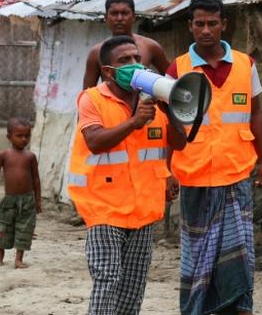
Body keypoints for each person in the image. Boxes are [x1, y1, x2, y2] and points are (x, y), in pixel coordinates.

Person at [166, 0, 262, 315]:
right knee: (198, 257)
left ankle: (238, 307)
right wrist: (166, 171)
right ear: (190, 27)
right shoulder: (178, 70)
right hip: (195, 178)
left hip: (237, 176)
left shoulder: (245, 64)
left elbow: (256, 114)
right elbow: (168, 122)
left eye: (213, 23)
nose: (206, 30)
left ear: (224, 24)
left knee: (238, 257)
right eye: (200, 24)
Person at [68, 35, 183, 315]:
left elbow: (179, 143)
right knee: (108, 280)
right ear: (108, 71)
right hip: (104, 207)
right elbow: (95, 142)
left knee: (132, 289)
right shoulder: (91, 99)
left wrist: (173, 107)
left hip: (144, 209)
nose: (134, 64)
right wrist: (134, 122)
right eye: (124, 61)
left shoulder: (153, 102)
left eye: (136, 59)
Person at [82, 0, 169, 89]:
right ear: (106, 18)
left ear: (134, 17)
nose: (119, 18)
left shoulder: (150, 46)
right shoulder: (97, 52)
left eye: (124, 13)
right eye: (114, 13)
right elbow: (87, 93)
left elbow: (171, 82)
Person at [0, 117, 42, 269]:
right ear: (9, 137)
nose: (24, 139)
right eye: (19, 136)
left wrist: (37, 200)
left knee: (25, 228)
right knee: (4, 227)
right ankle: (0, 254)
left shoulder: (30, 157)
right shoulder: (3, 155)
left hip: (27, 201)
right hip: (9, 200)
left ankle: (19, 259)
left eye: (27, 136)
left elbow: (36, 179)